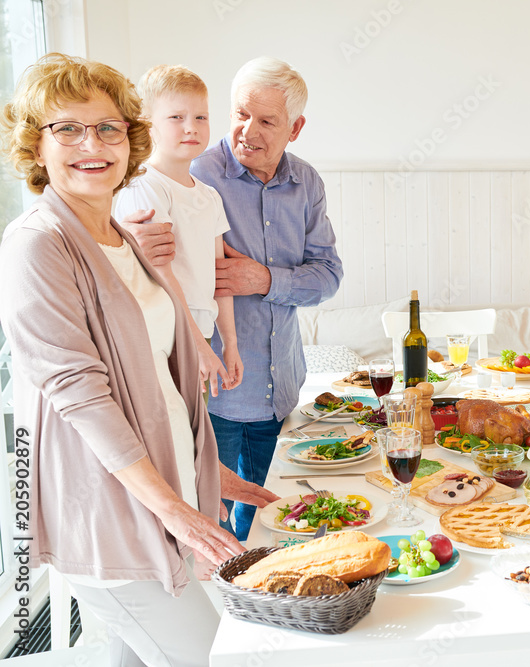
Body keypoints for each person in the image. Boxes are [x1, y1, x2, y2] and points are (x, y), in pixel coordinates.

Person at [0, 53, 278, 665]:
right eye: (66, 128)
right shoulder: (36, 245)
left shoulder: (121, 239)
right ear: (35, 145)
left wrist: (209, 472)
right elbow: (82, 394)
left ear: (130, 139)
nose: (91, 144)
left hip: (155, 496)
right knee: (215, 657)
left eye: (108, 127)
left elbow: (155, 377)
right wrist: (175, 508)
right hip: (111, 513)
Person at [129, 57, 343, 540]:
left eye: (267, 121)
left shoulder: (306, 183)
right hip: (212, 396)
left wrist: (263, 279)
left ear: (296, 128)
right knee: (214, 529)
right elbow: (146, 273)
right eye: (239, 114)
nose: (247, 131)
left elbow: (329, 276)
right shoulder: (192, 173)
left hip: (280, 389)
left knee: (273, 523)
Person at [115, 64, 242, 397]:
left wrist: (230, 342)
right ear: (148, 125)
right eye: (176, 117)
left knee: (194, 438)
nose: (192, 127)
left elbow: (221, 275)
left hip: (199, 333)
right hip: (166, 337)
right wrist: (198, 347)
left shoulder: (209, 195)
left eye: (201, 117)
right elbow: (162, 275)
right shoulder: (145, 188)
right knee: (174, 439)